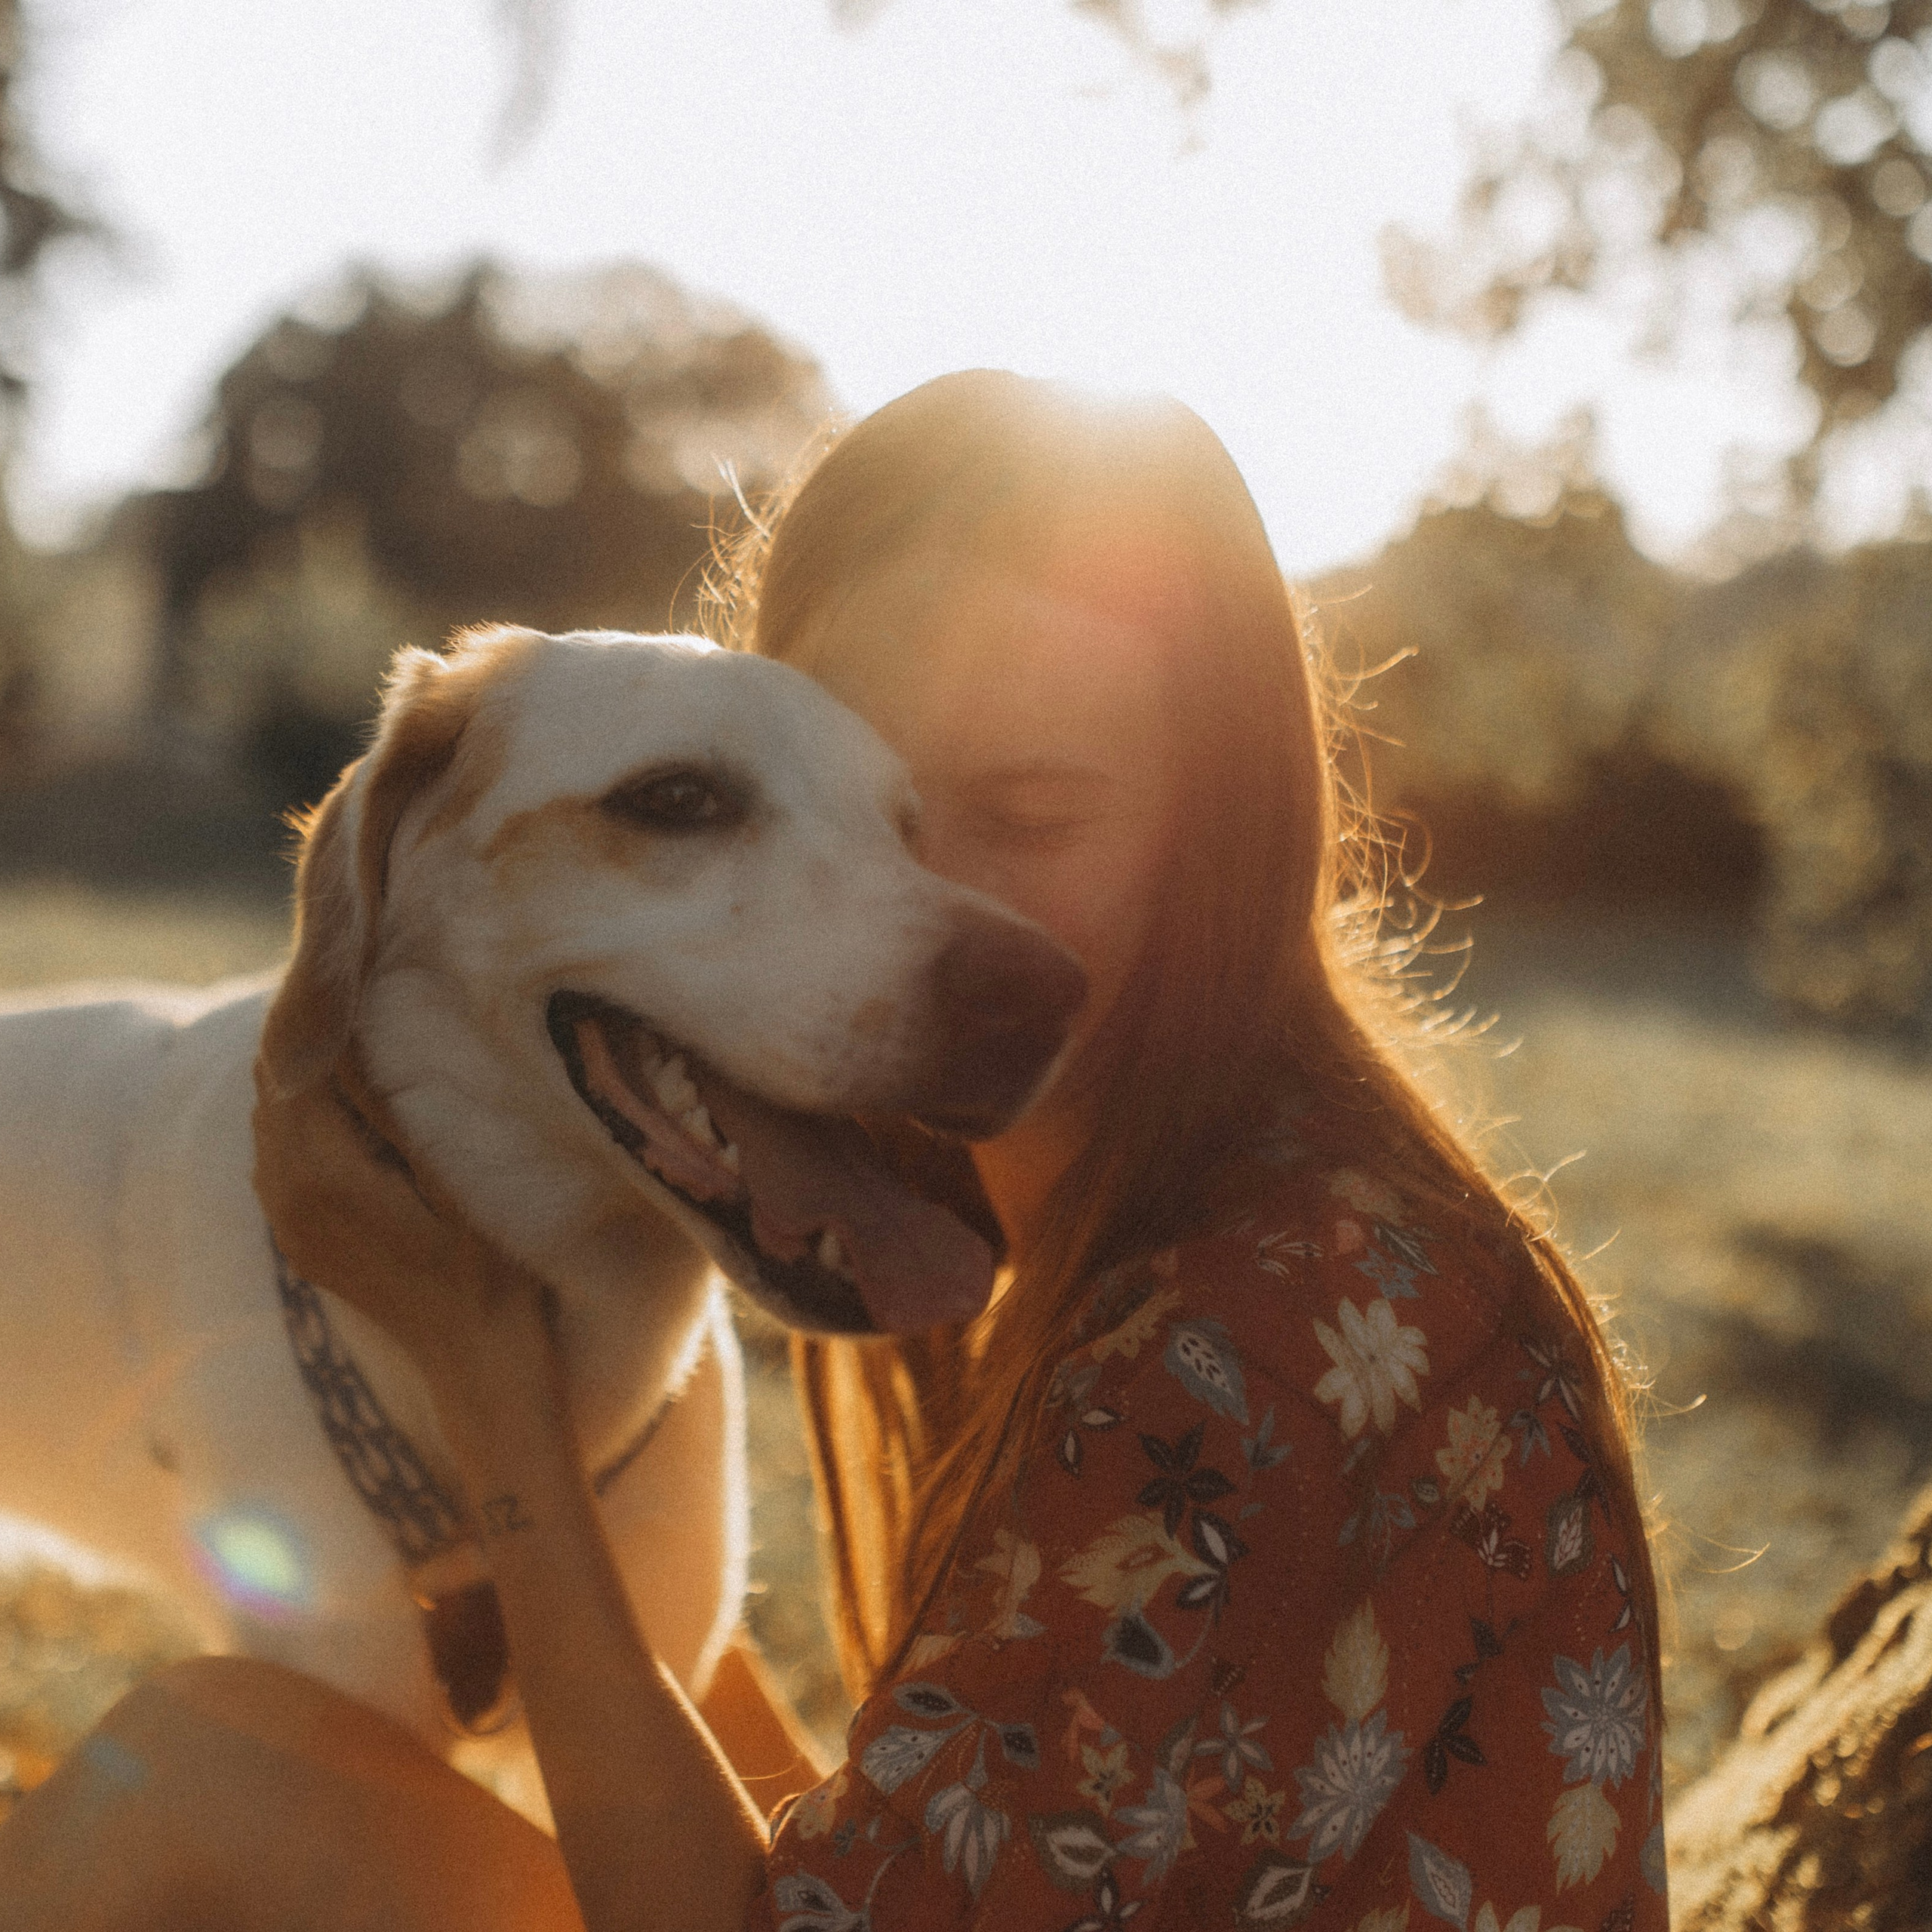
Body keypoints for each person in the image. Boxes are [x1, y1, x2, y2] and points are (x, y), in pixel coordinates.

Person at [0, 371, 1666, 1931]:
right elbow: (924, 1830)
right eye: (851, 804)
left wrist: (493, 1393)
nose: (909, 924)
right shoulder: (1216, 1214)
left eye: (1022, 817)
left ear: (1219, 830)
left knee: (195, 1771)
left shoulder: (1268, 1334)